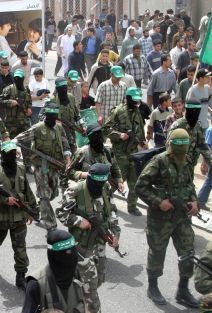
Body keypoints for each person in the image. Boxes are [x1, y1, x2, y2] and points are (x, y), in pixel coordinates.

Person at [135, 129, 200, 308]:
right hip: (160, 219)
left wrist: (194, 201)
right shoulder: (159, 161)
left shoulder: (186, 161)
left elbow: (189, 184)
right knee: (157, 252)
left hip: (181, 216)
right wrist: (159, 201)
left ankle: (183, 290)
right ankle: (153, 287)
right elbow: (140, 186)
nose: (181, 154)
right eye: (178, 150)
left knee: (187, 252)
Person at [57, 163, 120, 313]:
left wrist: (116, 233)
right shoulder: (75, 190)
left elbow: (112, 212)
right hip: (81, 247)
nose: (99, 186)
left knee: (98, 280)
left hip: (100, 244)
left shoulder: (105, 188)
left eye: (101, 183)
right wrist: (78, 221)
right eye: (96, 182)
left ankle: (76, 302)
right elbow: (60, 213)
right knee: (91, 290)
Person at [0, 141, 37, 289]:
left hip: (18, 217)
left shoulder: (21, 168)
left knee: (20, 248)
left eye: (15, 152)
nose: (13, 156)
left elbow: (27, 191)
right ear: (3, 154)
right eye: (10, 153)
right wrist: (4, 200)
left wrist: (32, 209)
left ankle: (20, 276)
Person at [15, 101, 71, 230]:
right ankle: (50, 224)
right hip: (41, 166)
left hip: (55, 165)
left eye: (54, 117)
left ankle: (39, 205)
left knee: (53, 193)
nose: (52, 119)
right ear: (45, 116)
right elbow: (19, 138)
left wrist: (67, 161)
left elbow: (65, 144)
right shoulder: (37, 128)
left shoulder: (59, 128)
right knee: (45, 194)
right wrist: (15, 147)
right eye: (49, 117)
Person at [103, 87, 147, 216]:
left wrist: (142, 141)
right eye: (134, 100)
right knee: (116, 181)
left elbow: (140, 128)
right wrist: (119, 135)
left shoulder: (137, 111)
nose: (137, 103)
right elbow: (106, 129)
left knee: (135, 181)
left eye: (138, 101)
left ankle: (132, 207)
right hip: (120, 153)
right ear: (128, 99)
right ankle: (105, 202)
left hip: (134, 152)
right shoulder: (118, 111)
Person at [21, 229, 85, 313]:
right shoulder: (36, 284)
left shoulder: (75, 272)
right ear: (54, 255)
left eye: (73, 251)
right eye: (67, 252)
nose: (72, 257)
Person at [185, 69, 211, 133]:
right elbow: (188, 108)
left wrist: (210, 110)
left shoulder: (207, 88)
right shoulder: (192, 91)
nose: (209, 78)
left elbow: (205, 103)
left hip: (205, 123)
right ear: (201, 78)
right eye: (207, 77)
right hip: (196, 125)